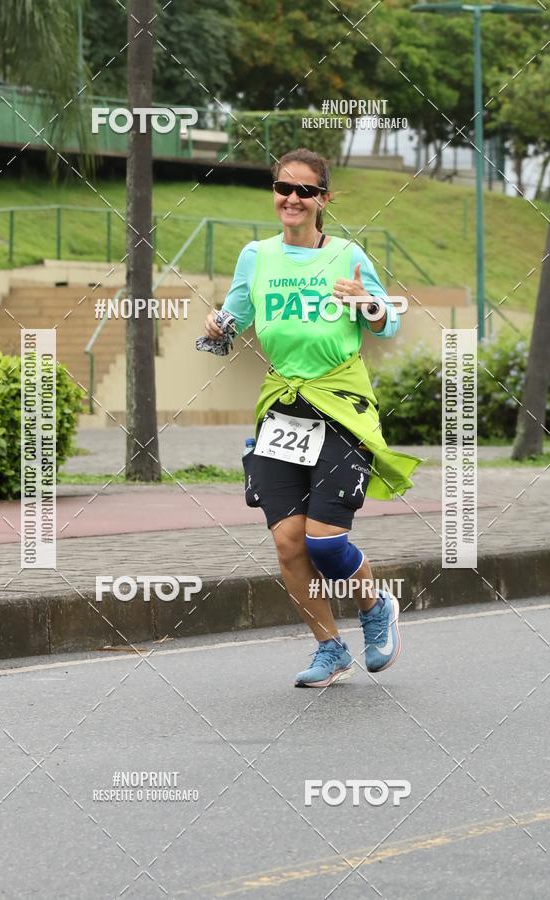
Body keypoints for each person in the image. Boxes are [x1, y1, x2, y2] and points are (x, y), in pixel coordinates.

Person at [203, 147, 422, 687]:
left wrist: (366, 303)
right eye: (284, 187)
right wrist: (215, 330)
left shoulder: (347, 254)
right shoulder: (256, 256)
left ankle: (374, 606)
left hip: (339, 405)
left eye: (305, 191)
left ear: (323, 199)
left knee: (325, 542)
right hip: (281, 408)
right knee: (288, 542)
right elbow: (233, 321)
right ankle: (329, 648)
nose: (292, 199)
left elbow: (387, 324)